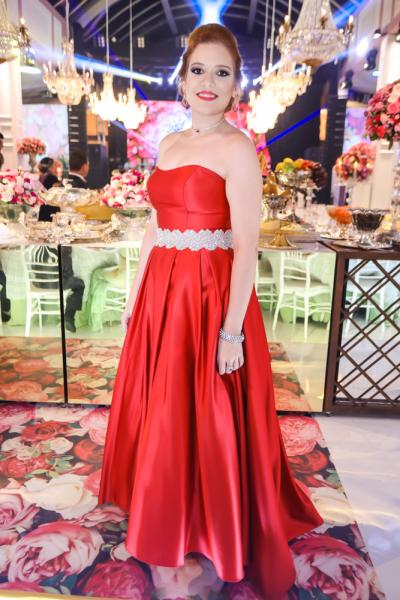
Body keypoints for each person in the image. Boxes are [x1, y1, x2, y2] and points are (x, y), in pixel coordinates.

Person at [98, 24, 323, 599]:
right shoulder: (170, 143)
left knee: (208, 411)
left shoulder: (237, 148)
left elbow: (247, 246)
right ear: (182, 78)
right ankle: (166, 512)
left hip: (209, 296)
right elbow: (155, 225)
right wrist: (136, 294)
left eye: (222, 73)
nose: (208, 82)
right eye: (199, 70)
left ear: (235, 85)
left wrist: (230, 331)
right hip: (163, 292)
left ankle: (212, 526)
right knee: (166, 409)